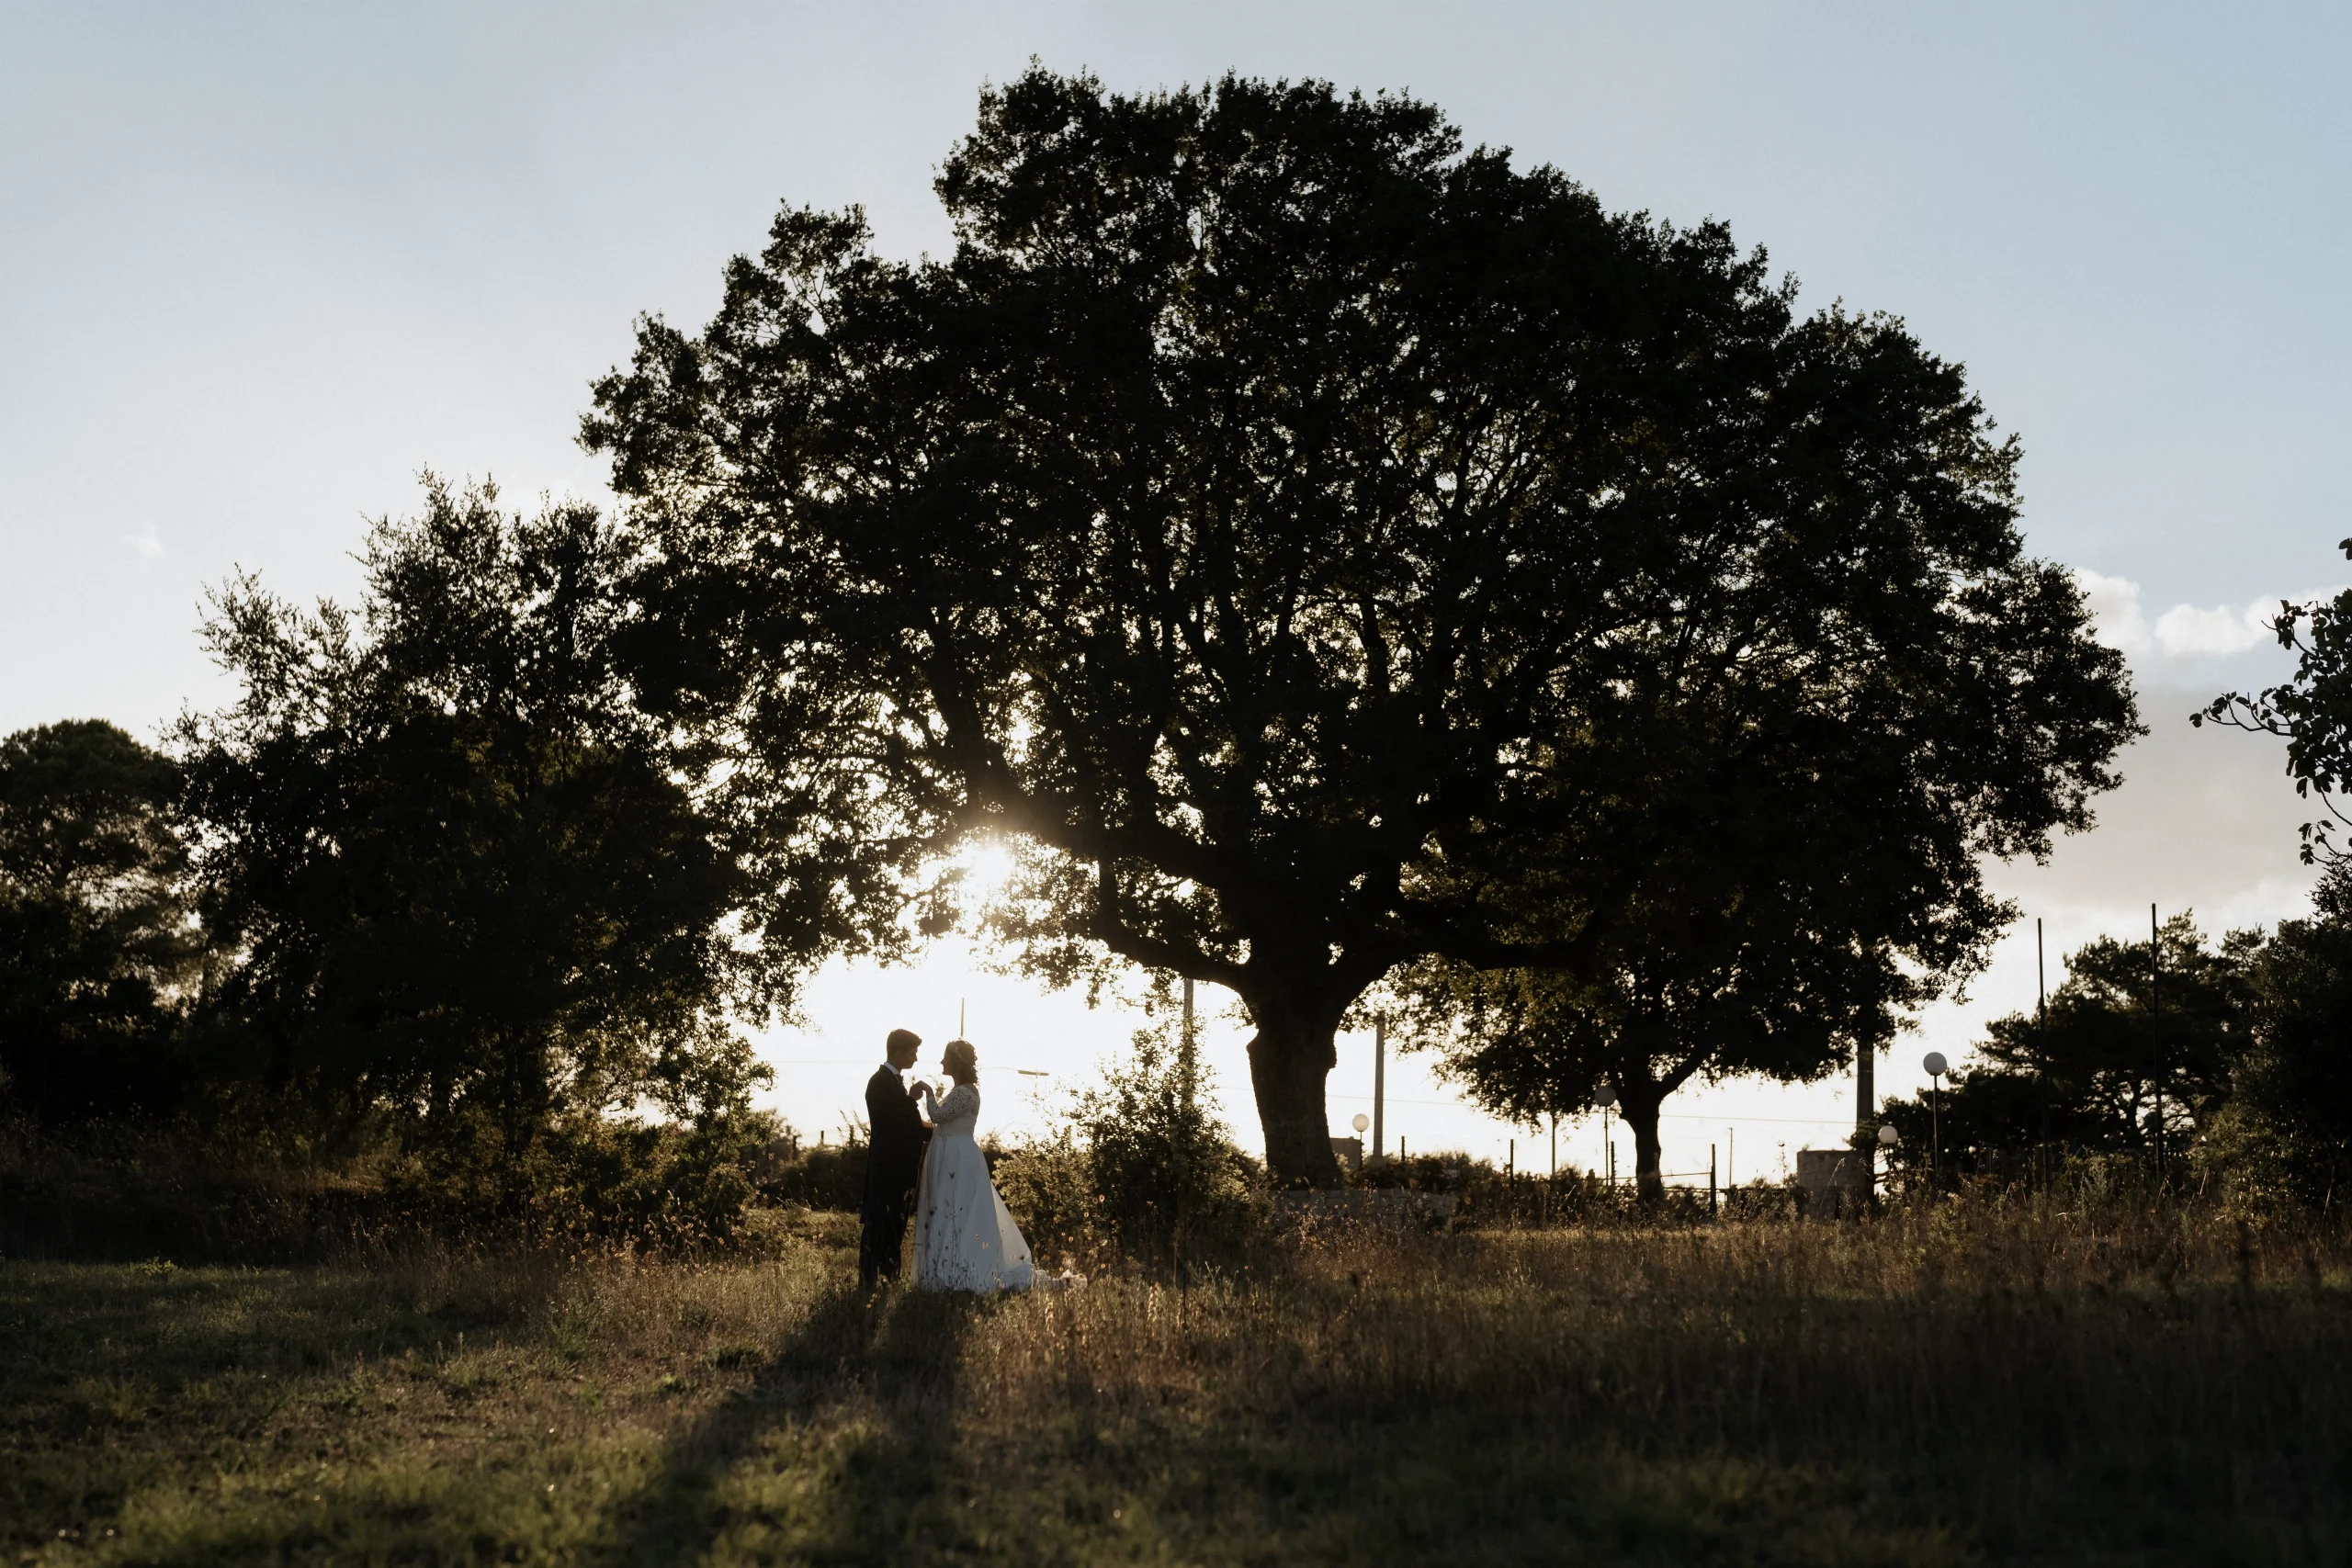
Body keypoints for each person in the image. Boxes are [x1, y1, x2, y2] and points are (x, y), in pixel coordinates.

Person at [910, 1039, 1035, 1292]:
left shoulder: (967, 1092)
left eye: (945, 1057)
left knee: (960, 1211)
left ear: (956, 1062)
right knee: (946, 1210)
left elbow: (938, 1116)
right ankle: (942, 1269)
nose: (942, 1062)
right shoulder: (959, 1091)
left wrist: (928, 1091)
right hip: (949, 1155)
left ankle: (959, 1270)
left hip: (960, 1158)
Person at [859, 1027, 929, 1291]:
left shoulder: (893, 1082)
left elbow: (907, 1122)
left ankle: (889, 1281)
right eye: (913, 1053)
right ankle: (870, 1283)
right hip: (887, 1170)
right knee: (879, 1226)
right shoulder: (880, 1082)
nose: (916, 1059)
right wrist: (912, 1100)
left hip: (897, 1171)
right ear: (898, 1053)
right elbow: (897, 1125)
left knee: (893, 1229)